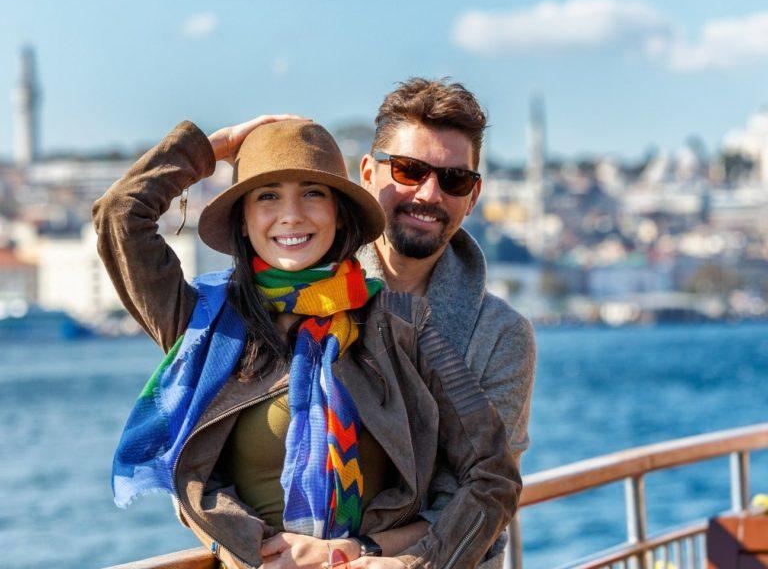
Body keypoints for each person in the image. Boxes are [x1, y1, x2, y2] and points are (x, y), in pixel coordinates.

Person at [92, 115, 520, 569]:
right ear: (243, 219)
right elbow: (120, 214)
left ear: (339, 213)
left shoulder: (401, 328)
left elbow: (493, 476)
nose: (291, 215)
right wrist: (216, 147)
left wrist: (411, 563)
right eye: (268, 195)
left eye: (313, 194)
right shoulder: (206, 326)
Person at [356, 78, 537, 565]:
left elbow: (480, 506)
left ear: (473, 197)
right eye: (410, 170)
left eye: (454, 179)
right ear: (369, 173)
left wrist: (355, 553)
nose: (429, 194)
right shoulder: (304, 296)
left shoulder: (501, 336)